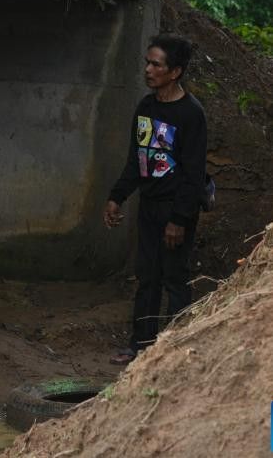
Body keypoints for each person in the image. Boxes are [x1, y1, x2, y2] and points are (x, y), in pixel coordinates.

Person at [104, 34, 207, 366]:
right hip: (149, 208)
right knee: (147, 276)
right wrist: (116, 197)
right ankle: (141, 346)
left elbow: (194, 174)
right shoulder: (146, 107)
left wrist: (179, 219)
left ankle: (174, 351)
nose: (148, 69)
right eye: (147, 62)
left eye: (156, 64)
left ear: (174, 71)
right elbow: (137, 159)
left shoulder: (191, 114)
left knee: (174, 279)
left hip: (176, 210)